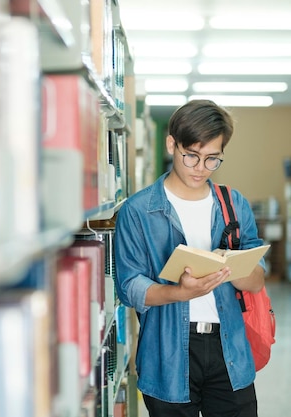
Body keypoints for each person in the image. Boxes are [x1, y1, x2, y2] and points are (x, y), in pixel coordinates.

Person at [114, 99, 266, 417]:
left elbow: (257, 279)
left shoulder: (234, 204)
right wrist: (180, 293)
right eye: (191, 156)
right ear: (172, 144)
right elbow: (129, 287)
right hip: (167, 353)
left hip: (229, 350)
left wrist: (237, 270)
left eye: (213, 160)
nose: (200, 168)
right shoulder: (138, 211)